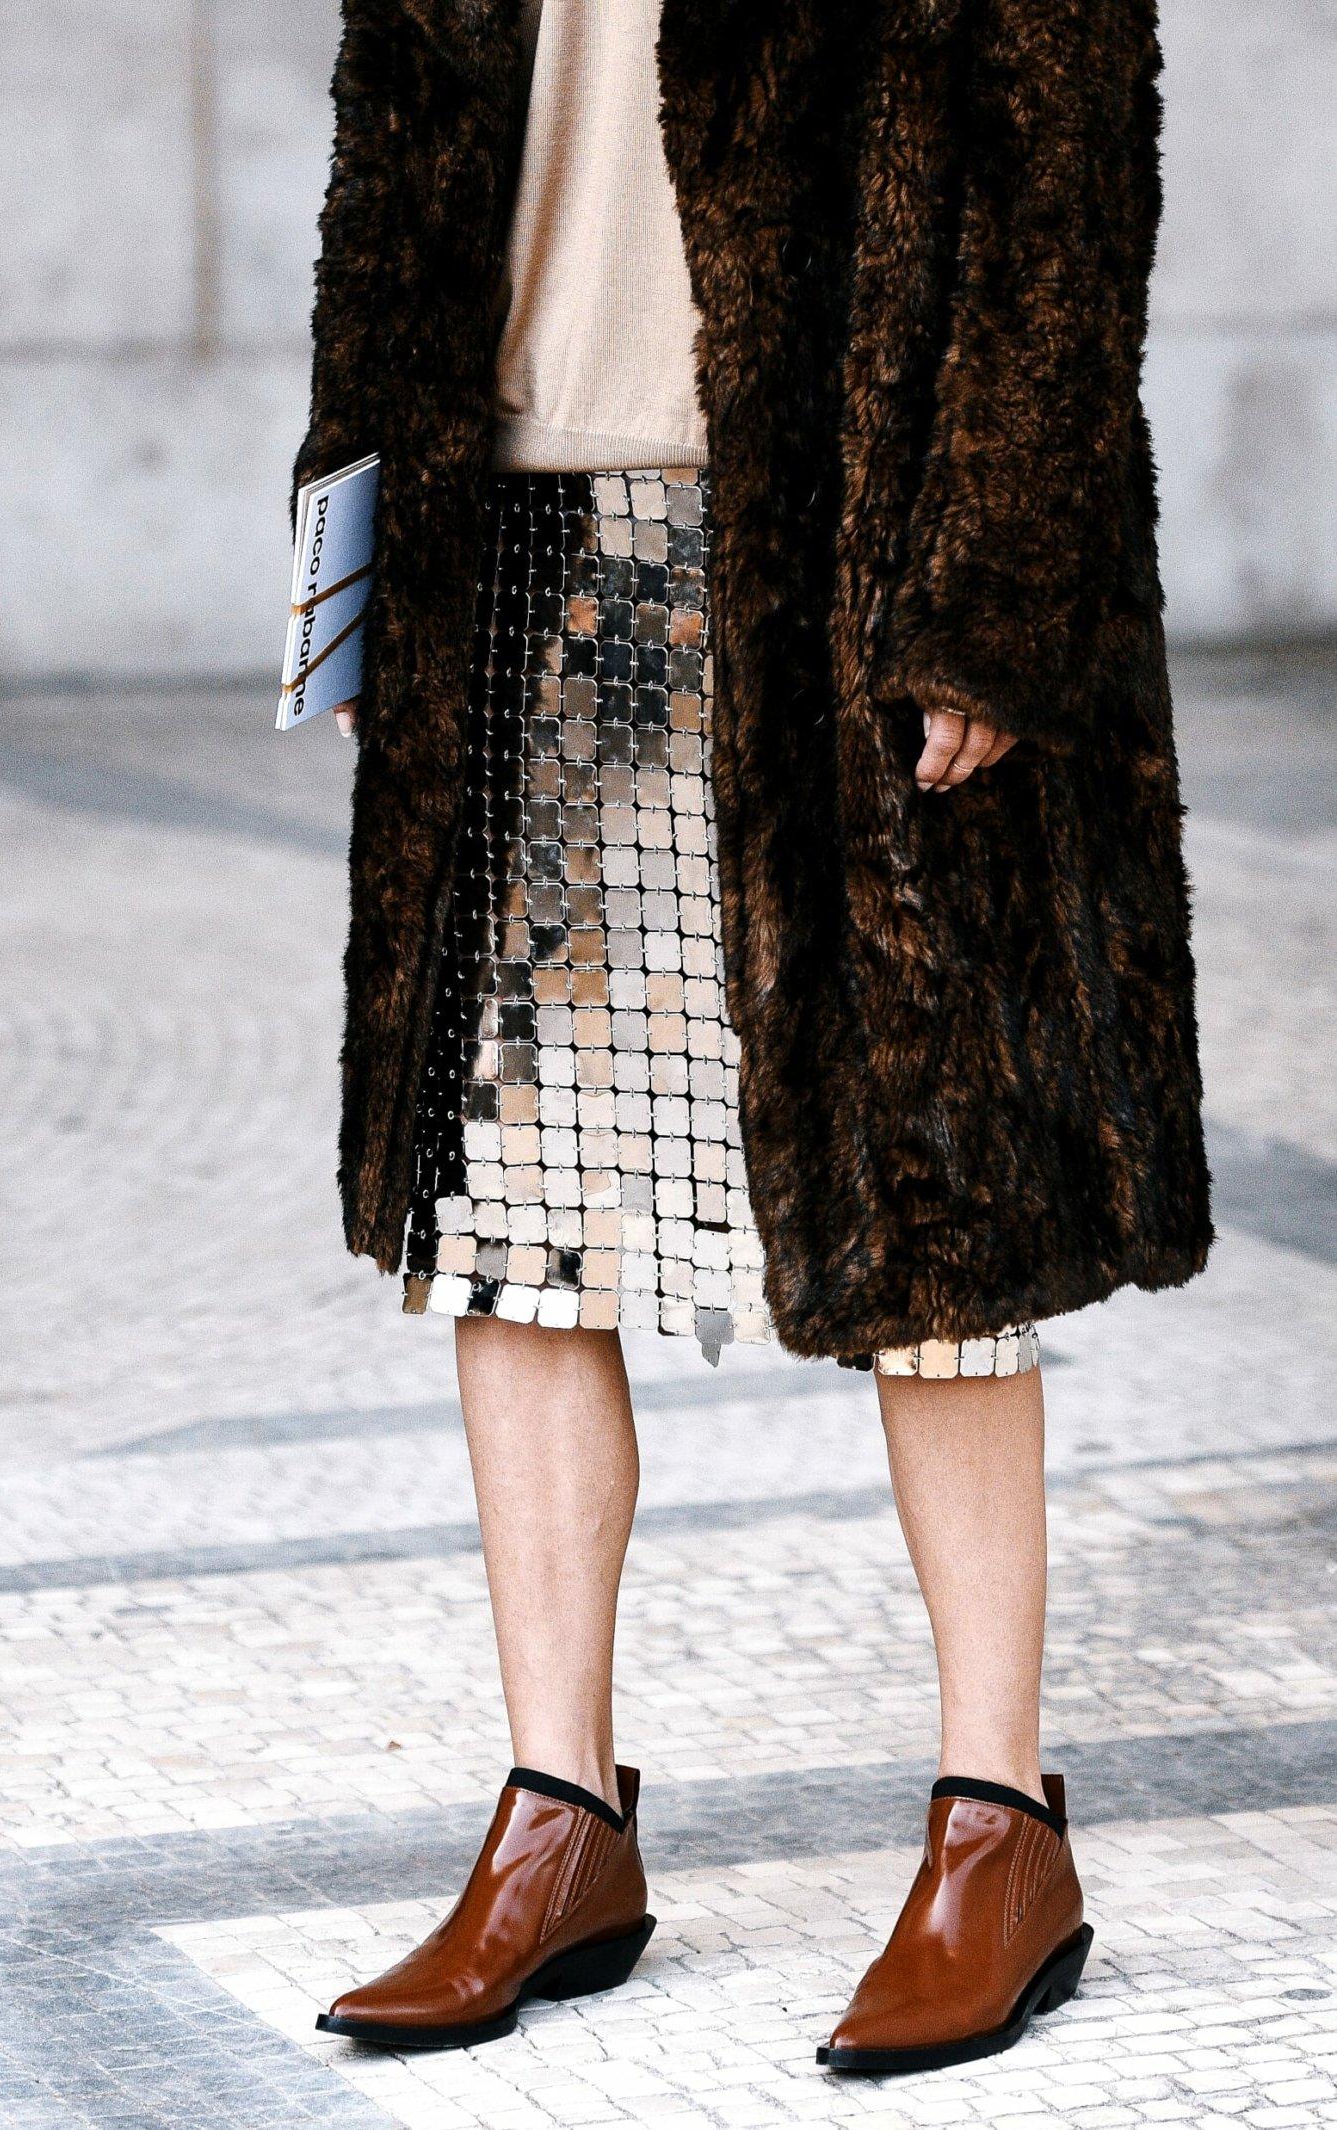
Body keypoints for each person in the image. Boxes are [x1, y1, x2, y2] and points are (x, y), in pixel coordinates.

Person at [296, 0, 1210, 2077]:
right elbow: (398, 166)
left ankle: (996, 1826)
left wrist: (987, 582)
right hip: (507, 527)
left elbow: (1063, 164)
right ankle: (558, 1820)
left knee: (926, 1200)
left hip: (835, 549)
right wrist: (351, 514)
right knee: (508, 1209)